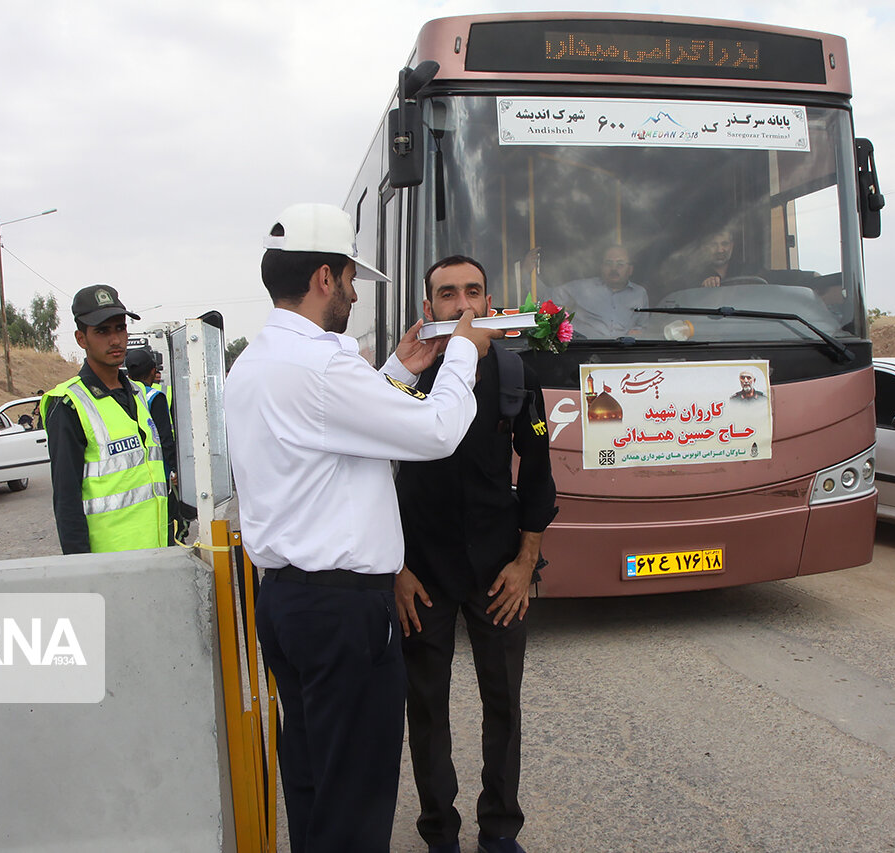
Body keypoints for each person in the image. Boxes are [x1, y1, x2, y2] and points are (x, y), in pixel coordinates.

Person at [224, 203, 501, 853]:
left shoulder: (255, 364)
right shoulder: (322, 364)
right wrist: (463, 353)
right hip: (342, 611)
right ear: (325, 278)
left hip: (289, 603)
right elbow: (434, 432)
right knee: (355, 798)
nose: (353, 293)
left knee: (317, 782)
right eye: (350, 279)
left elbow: (338, 434)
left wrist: (402, 367)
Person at [395, 255, 557, 853]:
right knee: (428, 712)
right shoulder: (403, 380)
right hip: (423, 576)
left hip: (498, 572)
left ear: (490, 302)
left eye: (473, 292)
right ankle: (439, 832)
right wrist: (397, 569)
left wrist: (524, 561)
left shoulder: (515, 377)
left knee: (503, 706)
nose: (462, 305)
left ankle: (499, 831)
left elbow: (538, 473)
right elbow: (368, 479)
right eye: (447, 295)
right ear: (427, 308)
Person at [40, 285, 168, 554]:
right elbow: (66, 501)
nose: (115, 340)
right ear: (81, 339)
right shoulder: (69, 404)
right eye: (102, 331)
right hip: (110, 566)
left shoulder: (137, 394)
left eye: (120, 328)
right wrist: (85, 571)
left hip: (156, 557)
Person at [522, 244, 648, 338]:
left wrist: (638, 331)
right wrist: (527, 273)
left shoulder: (639, 294)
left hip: (624, 356)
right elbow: (547, 296)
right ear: (601, 267)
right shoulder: (583, 288)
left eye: (620, 264)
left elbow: (644, 325)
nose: (613, 268)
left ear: (630, 269)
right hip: (586, 354)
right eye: (608, 263)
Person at [125, 347, 179, 544]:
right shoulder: (154, 397)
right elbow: (164, 438)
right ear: (152, 371)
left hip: (136, 474)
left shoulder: (123, 396)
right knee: (169, 524)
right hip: (159, 474)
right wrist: (173, 469)